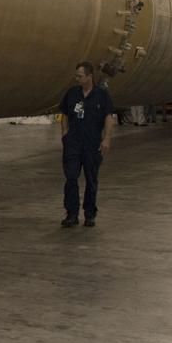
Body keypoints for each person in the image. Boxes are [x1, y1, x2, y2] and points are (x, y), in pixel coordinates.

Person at [59, 61, 114, 228]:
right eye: (76, 76)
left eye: (80, 76)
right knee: (70, 178)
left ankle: (90, 214)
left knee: (91, 179)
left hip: (92, 145)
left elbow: (108, 118)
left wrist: (107, 139)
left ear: (90, 77)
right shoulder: (72, 93)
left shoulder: (101, 95)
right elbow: (65, 115)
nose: (77, 79)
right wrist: (65, 134)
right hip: (73, 144)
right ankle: (72, 214)